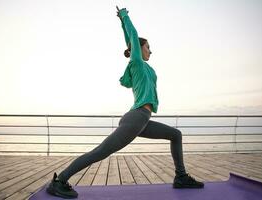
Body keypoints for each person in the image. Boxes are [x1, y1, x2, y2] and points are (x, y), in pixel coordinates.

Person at [46, 6, 204, 199]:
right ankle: (60, 180)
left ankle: (181, 177)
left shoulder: (146, 68)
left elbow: (132, 42)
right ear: (139, 48)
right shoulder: (136, 63)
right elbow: (133, 36)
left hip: (142, 120)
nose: (151, 51)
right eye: (148, 47)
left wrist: (123, 27)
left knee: (175, 134)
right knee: (101, 152)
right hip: (136, 118)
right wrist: (124, 17)